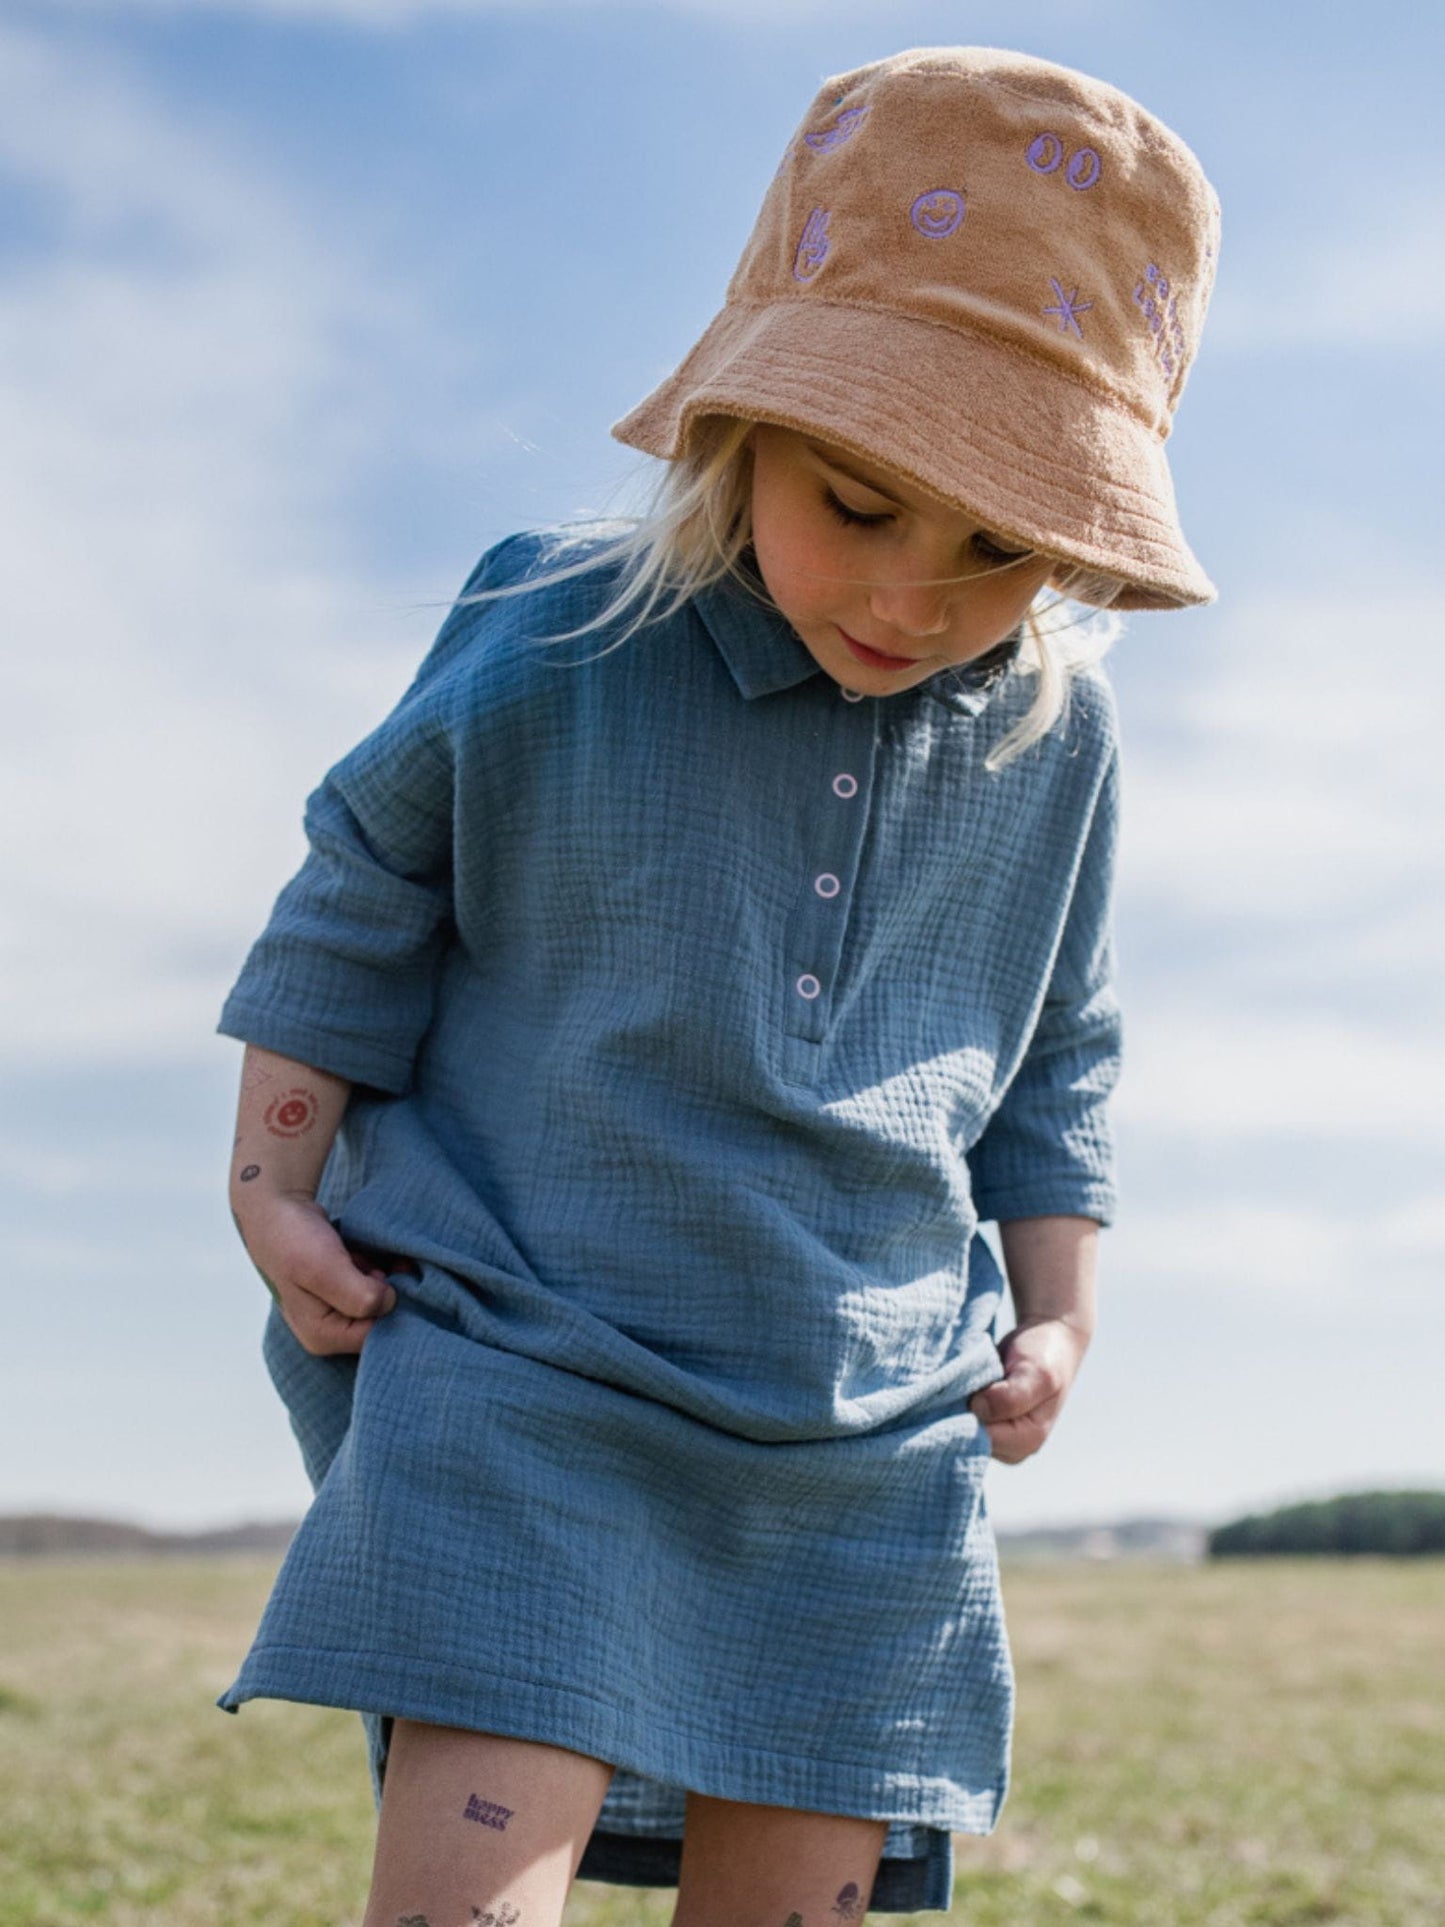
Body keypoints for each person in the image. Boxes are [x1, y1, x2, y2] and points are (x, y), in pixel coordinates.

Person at [218, 45, 1221, 1927]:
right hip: (524, 1357)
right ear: (741, 422)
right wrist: (272, 1175)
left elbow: (1057, 1049)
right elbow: (364, 880)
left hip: (858, 1424)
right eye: (856, 502)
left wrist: (1060, 1315)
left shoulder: (1053, 744)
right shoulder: (557, 617)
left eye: (1001, 547)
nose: (915, 594)